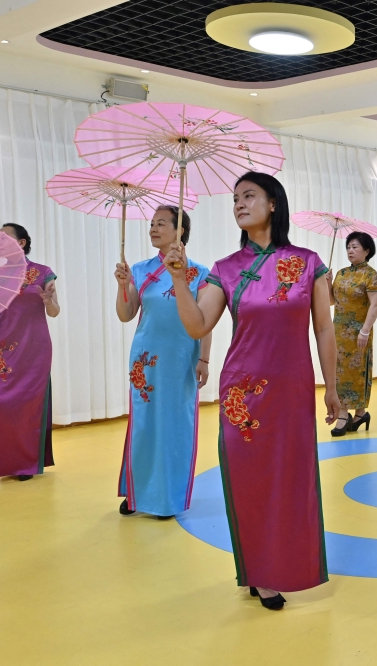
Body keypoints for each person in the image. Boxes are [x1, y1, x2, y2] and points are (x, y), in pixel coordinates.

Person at [164, 171, 340, 610]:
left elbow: (324, 331)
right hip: (244, 393)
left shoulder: (308, 261)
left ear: (273, 203)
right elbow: (197, 325)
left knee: (292, 481)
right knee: (252, 482)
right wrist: (181, 281)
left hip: (293, 391)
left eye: (249, 196)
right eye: (235, 198)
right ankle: (260, 572)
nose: (239, 203)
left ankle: (284, 563)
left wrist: (332, 388)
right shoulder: (225, 269)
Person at [113, 206, 211, 518]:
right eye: (151, 224)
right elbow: (126, 315)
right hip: (146, 357)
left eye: (161, 223)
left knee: (175, 424)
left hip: (182, 356)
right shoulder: (140, 270)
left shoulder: (199, 273)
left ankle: (167, 497)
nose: (153, 228)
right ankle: (138, 493)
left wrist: (204, 359)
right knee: (144, 423)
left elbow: (206, 320)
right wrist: (122, 286)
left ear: (180, 230)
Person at [0, 223, 60, 486]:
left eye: (4, 237)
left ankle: (24, 461)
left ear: (21, 243)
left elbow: (55, 311)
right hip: (5, 349)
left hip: (36, 349)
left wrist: (48, 301)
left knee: (29, 406)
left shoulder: (43, 273)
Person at [325, 231, 377, 436]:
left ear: (367, 251)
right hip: (338, 331)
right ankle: (360, 414)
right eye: (348, 246)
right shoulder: (340, 273)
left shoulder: (371, 276)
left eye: (355, 246)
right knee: (338, 371)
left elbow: (375, 305)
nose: (350, 250)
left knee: (356, 372)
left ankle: (343, 414)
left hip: (359, 332)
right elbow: (332, 302)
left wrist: (365, 331)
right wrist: (328, 284)